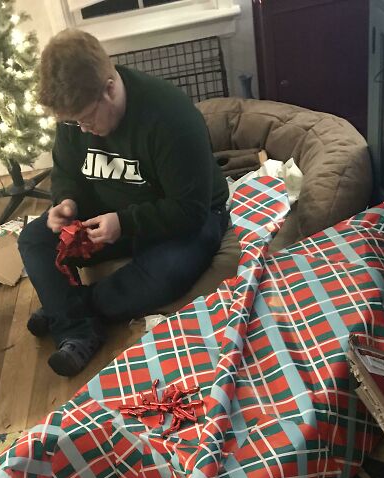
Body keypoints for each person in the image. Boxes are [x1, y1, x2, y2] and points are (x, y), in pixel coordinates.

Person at [18, 29, 230, 377]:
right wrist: (65, 201)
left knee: (165, 275)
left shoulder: (171, 117)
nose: (82, 130)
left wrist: (124, 223)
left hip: (187, 216)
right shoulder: (76, 114)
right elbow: (66, 169)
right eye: (73, 122)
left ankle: (67, 310)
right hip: (111, 213)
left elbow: (189, 211)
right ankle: (77, 332)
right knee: (33, 239)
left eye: (86, 118)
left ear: (110, 87)